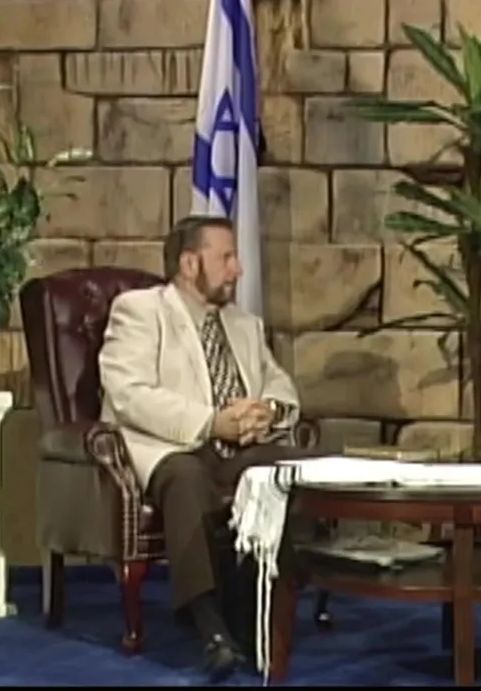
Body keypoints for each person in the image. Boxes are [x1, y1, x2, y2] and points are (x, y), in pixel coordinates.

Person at [98, 216, 315, 680]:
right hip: (174, 446)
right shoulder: (140, 311)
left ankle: (267, 608)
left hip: (240, 450)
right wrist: (212, 422)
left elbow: (280, 386)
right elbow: (129, 393)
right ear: (189, 263)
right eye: (226, 258)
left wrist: (268, 412)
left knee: (302, 467)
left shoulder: (244, 324)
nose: (238, 269)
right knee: (186, 477)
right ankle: (210, 626)